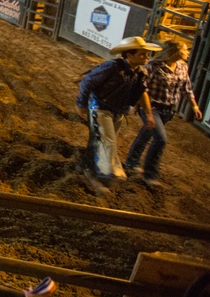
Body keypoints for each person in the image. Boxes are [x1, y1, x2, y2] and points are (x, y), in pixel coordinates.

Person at [76, 36, 160, 181]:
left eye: (147, 53)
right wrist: (81, 104)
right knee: (108, 140)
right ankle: (109, 172)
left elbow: (142, 93)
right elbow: (87, 82)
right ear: (129, 55)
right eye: (142, 54)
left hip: (118, 111)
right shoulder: (112, 67)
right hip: (100, 108)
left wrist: (149, 114)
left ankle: (87, 166)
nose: (147, 56)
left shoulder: (141, 73)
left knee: (100, 139)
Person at [124, 39, 203, 188]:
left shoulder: (182, 66)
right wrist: (140, 107)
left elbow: (186, 87)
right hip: (152, 108)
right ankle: (150, 175)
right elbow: (143, 89)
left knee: (146, 135)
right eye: (185, 50)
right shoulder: (153, 67)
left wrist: (195, 107)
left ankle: (131, 162)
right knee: (160, 139)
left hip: (168, 110)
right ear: (175, 52)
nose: (188, 52)